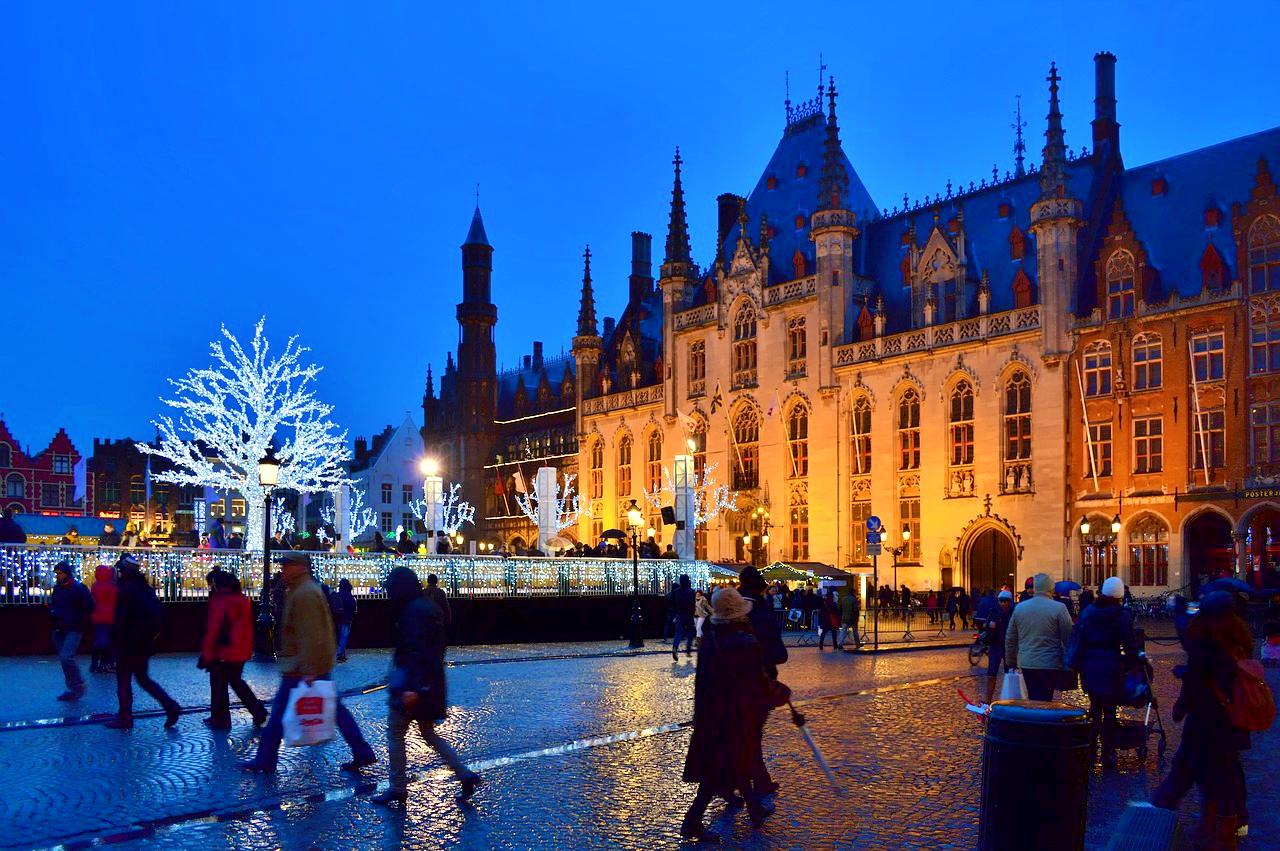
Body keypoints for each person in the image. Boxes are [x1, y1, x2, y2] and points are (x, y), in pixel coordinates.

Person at [243, 553, 376, 774]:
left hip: (301, 666)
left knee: (278, 714)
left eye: (286, 566)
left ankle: (265, 759)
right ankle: (362, 751)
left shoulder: (304, 593)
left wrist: (309, 669)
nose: (283, 570)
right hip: (307, 665)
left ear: (299, 567)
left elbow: (310, 634)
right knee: (335, 710)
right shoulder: (303, 589)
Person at [371, 567, 481, 806]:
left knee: (396, 734)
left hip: (414, 687)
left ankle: (398, 787)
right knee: (428, 733)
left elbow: (417, 651)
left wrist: (413, 687)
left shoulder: (412, 612)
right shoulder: (426, 608)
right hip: (428, 685)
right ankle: (464, 774)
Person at [1151, 591, 1254, 844]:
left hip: (1206, 722)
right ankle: (1222, 825)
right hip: (1232, 723)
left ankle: (1160, 820)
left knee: (1189, 771)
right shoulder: (1240, 638)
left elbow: (1199, 676)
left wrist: (1182, 699)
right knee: (1221, 774)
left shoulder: (1206, 644)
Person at [680, 587, 777, 841]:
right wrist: (776, 692)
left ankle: (754, 808)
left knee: (733, 764)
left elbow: (703, 683)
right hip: (736, 716)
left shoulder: (710, 641)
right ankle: (692, 822)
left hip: (712, 716)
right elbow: (756, 683)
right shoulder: (745, 642)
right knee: (722, 770)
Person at [107, 555, 181, 729]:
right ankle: (170, 706)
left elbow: (121, 618)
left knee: (124, 680)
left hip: (127, 641)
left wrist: (114, 637)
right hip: (143, 641)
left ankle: (125, 717)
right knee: (143, 679)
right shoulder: (145, 588)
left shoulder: (125, 589)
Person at [1069, 576, 1134, 768]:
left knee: (1094, 709)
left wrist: (1077, 665)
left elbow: (1079, 638)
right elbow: (1129, 642)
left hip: (1090, 666)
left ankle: (1090, 750)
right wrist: (1132, 662)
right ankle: (1108, 752)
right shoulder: (1121, 615)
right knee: (1110, 711)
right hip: (1111, 666)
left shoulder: (1089, 612)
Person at [737, 566, 786, 797]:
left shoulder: (728, 611)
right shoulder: (761, 612)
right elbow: (778, 653)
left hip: (729, 684)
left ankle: (756, 779)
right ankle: (750, 782)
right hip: (758, 682)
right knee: (752, 733)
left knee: (741, 733)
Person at [200, 570, 268, 729]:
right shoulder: (242, 599)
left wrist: (207, 653)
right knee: (236, 682)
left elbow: (214, 629)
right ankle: (259, 713)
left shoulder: (221, 601)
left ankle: (220, 720)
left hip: (223, 651)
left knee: (218, 686)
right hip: (240, 649)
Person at [1004, 572, 1074, 701]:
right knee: (1045, 697)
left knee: (1032, 696)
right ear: (1050, 588)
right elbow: (1069, 637)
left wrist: (1011, 661)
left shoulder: (1020, 608)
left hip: (1026, 662)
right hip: (1050, 663)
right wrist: (1070, 662)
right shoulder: (1059, 608)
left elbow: (1010, 638)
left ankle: (1032, 718)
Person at [49, 561, 94, 701]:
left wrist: (78, 619)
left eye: (60, 573)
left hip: (74, 627)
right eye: (56, 573)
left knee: (66, 657)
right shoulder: (58, 588)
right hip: (60, 627)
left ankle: (77, 685)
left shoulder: (79, 588)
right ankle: (74, 687)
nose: (58, 576)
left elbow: (90, 606)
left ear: (67, 573)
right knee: (65, 658)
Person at [982, 591, 1015, 703]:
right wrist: (989, 625)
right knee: (991, 672)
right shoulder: (994, 611)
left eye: (1005, 601)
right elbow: (986, 624)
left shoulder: (1013, 613)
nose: (1003, 603)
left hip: (1009, 647)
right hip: (996, 645)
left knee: (1009, 673)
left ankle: (1009, 698)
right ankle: (988, 699)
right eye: (1001, 601)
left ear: (1010, 602)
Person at [89, 564, 117, 674]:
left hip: (97, 617)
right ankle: (106, 663)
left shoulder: (95, 586)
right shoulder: (112, 587)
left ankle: (95, 662)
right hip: (111, 617)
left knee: (99, 640)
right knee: (109, 641)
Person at [331, 578, 357, 662]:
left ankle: (339, 654)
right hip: (346, 619)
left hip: (337, 619)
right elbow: (353, 608)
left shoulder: (337, 595)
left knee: (339, 637)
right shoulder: (350, 596)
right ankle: (340, 654)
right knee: (344, 637)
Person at [671, 575, 697, 659]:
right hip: (689, 614)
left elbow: (673, 603)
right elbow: (693, 604)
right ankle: (688, 650)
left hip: (680, 614)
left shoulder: (676, 592)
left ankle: (675, 647)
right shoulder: (692, 591)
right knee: (690, 632)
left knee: (678, 632)